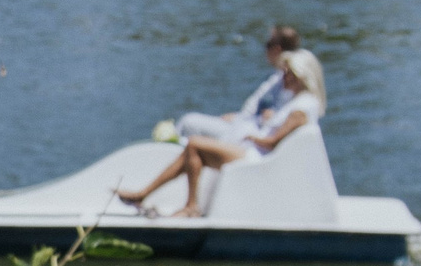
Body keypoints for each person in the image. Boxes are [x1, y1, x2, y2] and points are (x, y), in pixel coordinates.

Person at [118, 49, 326, 217]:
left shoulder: (301, 106)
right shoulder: (301, 102)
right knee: (193, 148)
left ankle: (187, 205)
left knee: (194, 144)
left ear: (301, 74)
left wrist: (255, 136)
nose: (284, 77)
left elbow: (272, 142)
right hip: (256, 154)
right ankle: (146, 194)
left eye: (289, 72)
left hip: (256, 157)